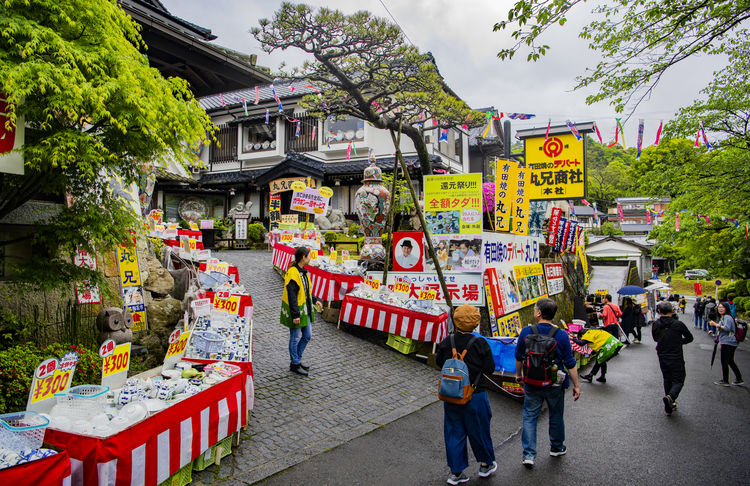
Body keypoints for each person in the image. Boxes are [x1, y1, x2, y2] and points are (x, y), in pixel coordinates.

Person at [515, 298, 581, 468]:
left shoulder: (525, 332)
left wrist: (519, 376)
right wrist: (577, 385)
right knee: (556, 415)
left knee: (530, 417)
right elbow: (570, 363)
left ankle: (528, 454)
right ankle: (557, 447)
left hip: (531, 382)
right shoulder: (561, 335)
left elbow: (519, 357)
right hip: (555, 384)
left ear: (538, 313)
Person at [436, 305, 497, 484]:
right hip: (475, 393)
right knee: (479, 429)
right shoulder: (480, 343)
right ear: (476, 322)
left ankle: (456, 472)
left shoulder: (448, 341)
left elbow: (440, 362)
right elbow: (489, 368)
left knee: (454, 431)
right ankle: (486, 464)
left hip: (451, 393)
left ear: (455, 320)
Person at [280, 247, 322, 376]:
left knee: (307, 335)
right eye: (309, 256)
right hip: (298, 311)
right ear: (303, 257)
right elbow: (291, 295)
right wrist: (295, 314)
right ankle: (295, 363)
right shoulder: (293, 273)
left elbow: (306, 290)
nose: (310, 258)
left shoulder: (304, 272)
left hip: (305, 309)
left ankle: (296, 360)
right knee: (295, 337)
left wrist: (315, 300)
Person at [652, 301, 694, 414]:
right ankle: (671, 398)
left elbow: (655, 338)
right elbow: (690, 338)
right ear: (672, 311)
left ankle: (670, 404)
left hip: (662, 354)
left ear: (659, 311)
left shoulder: (656, 324)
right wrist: (679, 342)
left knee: (667, 378)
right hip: (676, 355)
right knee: (679, 379)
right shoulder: (678, 324)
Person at [582, 294, 622, 383]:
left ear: (606, 299)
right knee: (606, 351)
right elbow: (620, 314)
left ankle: (592, 375)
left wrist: (600, 316)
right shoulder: (615, 306)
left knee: (603, 351)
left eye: (604, 298)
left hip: (608, 326)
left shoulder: (606, 307)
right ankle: (600, 376)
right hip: (615, 325)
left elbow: (603, 315)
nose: (603, 300)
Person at [709, 302, 744, 386]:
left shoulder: (727, 317)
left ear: (726, 308)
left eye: (722, 307)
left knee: (724, 361)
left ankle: (725, 380)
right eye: (719, 307)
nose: (720, 309)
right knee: (730, 361)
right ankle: (738, 378)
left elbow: (727, 328)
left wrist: (715, 324)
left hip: (728, 342)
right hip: (730, 342)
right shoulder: (724, 317)